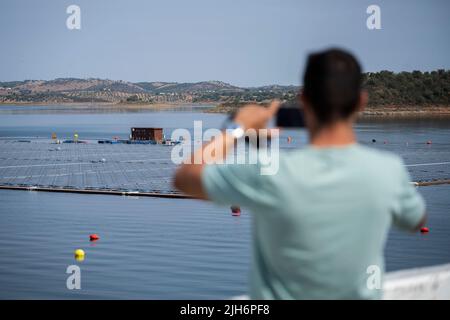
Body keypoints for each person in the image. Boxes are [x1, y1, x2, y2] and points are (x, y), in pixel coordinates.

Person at [173, 48, 426, 299]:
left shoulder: (269, 173)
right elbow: (416, 220)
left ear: (303, 100)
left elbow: (185, 178)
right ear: (361, 101)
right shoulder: (388, 170)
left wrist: (238, 126)